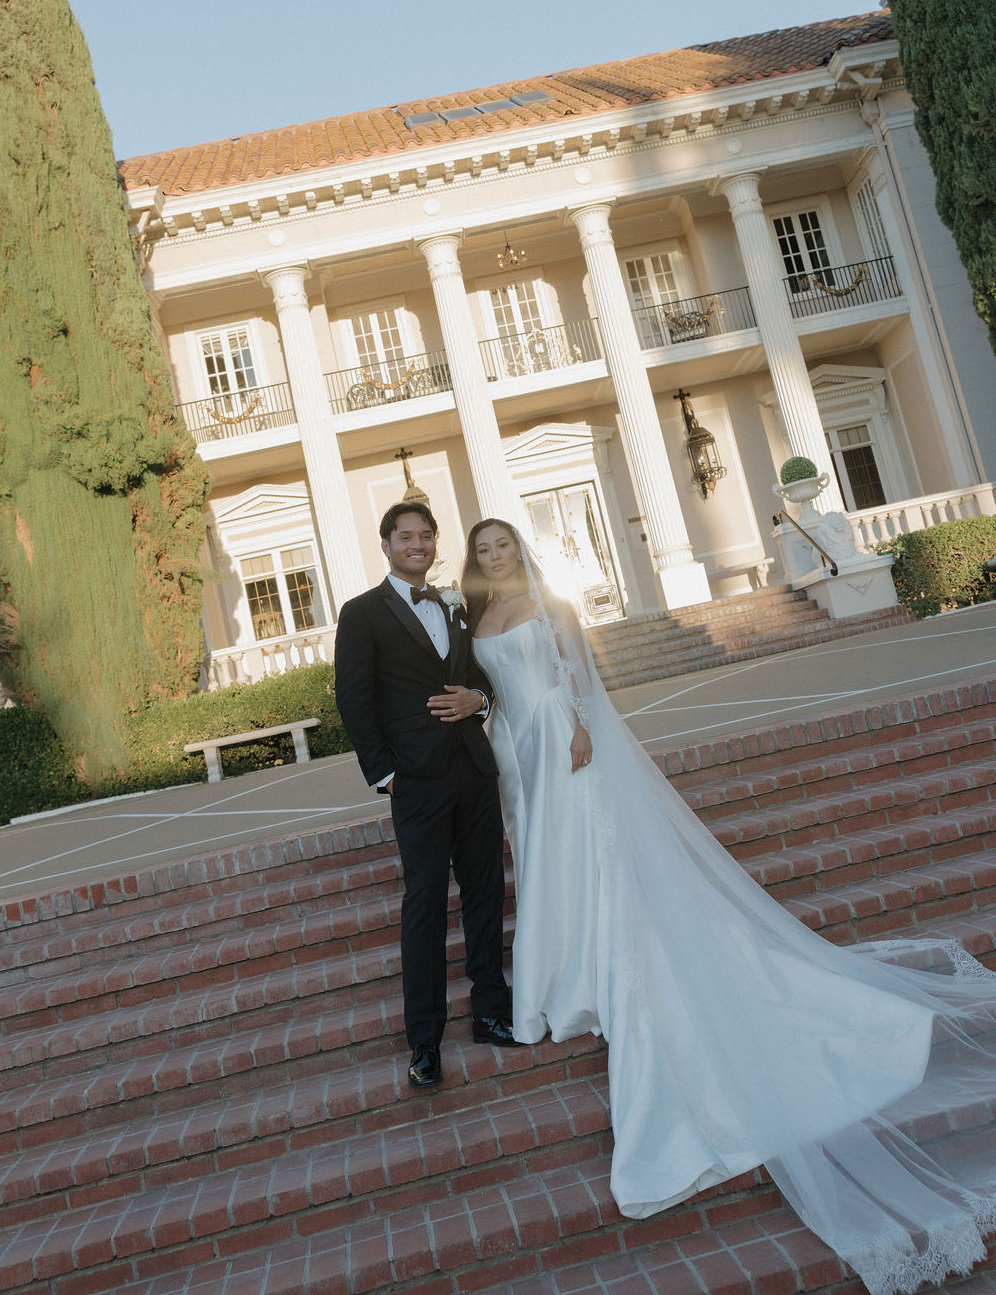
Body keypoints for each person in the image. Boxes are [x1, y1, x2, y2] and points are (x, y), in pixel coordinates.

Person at [462, 516, 996, 1295]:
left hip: (565, 742)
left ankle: (594, 971)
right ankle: (559, 977)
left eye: (501, 544)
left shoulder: (553, 604)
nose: (493, 555)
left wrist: (579, 724)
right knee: (551, 867)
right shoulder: (475, 619)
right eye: (482, 549)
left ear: (519, 549)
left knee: (592, 863)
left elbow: (583, 677)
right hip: (521, 756)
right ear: (473, 561)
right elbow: (493, 693)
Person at [333, 502, 519, 1091]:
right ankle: (425, 1041)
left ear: (435, 543)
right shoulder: (361, 613)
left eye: (425, 536)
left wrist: (477, 703)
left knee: (486, 892)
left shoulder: (455, 607)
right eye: (405, 536)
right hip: (415, 783)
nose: (417, 544)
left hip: (473, 770)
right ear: (386, 544)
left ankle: (490, 1013)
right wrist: (385, 777)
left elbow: (485, 679)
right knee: (425, 906)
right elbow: (353, 700)